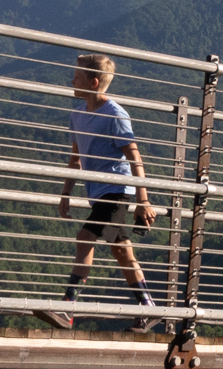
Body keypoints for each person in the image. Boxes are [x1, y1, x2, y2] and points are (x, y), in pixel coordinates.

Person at [48, 53, 162, 331]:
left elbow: (134, 157)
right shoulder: (77, 115)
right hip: (97, 193)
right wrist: (66, 193)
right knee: (121, 250)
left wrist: (143, 200)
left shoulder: (115, 115)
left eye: (76, 77)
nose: (71, 81)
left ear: (93, 82)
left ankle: (68, 308)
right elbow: (75, 157)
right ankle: (148, 307)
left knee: (84, 237)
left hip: (117, 190)